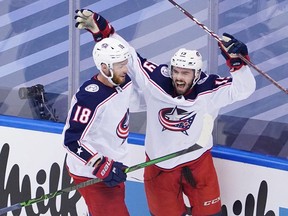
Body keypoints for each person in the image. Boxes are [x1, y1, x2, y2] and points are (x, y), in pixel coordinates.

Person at [75, 9, 256, 216]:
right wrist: (104, 31)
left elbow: (244, 90)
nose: (179, 77)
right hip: (160, 167)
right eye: (176, 71)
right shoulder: (156, 80)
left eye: (185, 73)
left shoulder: (210, 89)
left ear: (197, 74)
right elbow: (131, 58)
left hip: (198, 162)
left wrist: (238, 65)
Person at [62, 26, 145, 215]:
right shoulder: (90, 98)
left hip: (114, 166)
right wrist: (100, 164)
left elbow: (134, 102)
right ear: (105, 67)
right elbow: (71, 140)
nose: (125, 69)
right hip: (91, 172)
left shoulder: (124, 83)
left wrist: (165, 101)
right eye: (120, 65)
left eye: (125, 63)